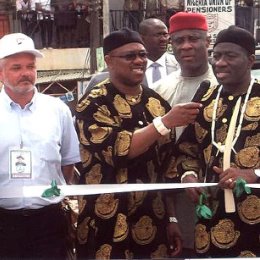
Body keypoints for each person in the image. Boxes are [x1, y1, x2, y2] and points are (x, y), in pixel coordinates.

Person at [75, 28, 202, 259]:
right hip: (105, 221)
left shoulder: (155, 102)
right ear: (109, 60)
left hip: (153, 221)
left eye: (142, 55)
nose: (139, 61)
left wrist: (172, 218)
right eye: (129, 56)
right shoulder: (93, 103)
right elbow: (119, 150)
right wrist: (163, 124)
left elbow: (168, 166)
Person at [173, 25, 260, 257]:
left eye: (230, 56)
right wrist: (188, 176)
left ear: (250, 60)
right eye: (217, 56)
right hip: (211, 217)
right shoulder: (205, 100)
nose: (220, 62)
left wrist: (255, 174)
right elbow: (187, 149)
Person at [0, 33, 80, 259]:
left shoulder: (58, 110)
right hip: (3, 223)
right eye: (16, 67)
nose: (25, 73)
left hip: (49, 223)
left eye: (30, 66)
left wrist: (53, 195)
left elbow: (68, 163)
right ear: (1, 73)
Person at [152, 12, 218, 257]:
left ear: (207, 41)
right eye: (178, 40)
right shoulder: (160, 89)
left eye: (193, 38)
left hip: (221, 190)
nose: (186, 46)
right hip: (175, 199)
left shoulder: (224, 84)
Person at [85, 18, 179, 93]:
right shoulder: (103, 78)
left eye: (165, 35)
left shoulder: (180, 67)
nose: (163, 39)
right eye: (158, 35)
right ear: (142, 38)